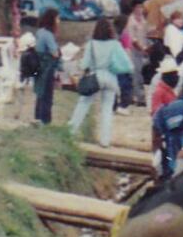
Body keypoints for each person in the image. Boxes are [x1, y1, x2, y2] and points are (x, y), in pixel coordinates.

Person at [69, 18, 129, 147]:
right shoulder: (115, 44)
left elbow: (85, 64)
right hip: (111, 78)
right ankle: (105, 140)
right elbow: (127, 63)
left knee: (83, 103)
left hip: (96, 77)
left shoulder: (92, 44)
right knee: (107, 109)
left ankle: (70, 132)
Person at [32, 9, 61, 124]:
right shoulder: (48, 35)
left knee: (40, 92)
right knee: (47, 94)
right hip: (47, 66)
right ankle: (45, 119)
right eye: (57, 18)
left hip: (38, 64)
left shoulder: (40, 32)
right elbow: (54, 52)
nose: (59, 21)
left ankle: (38, 116)